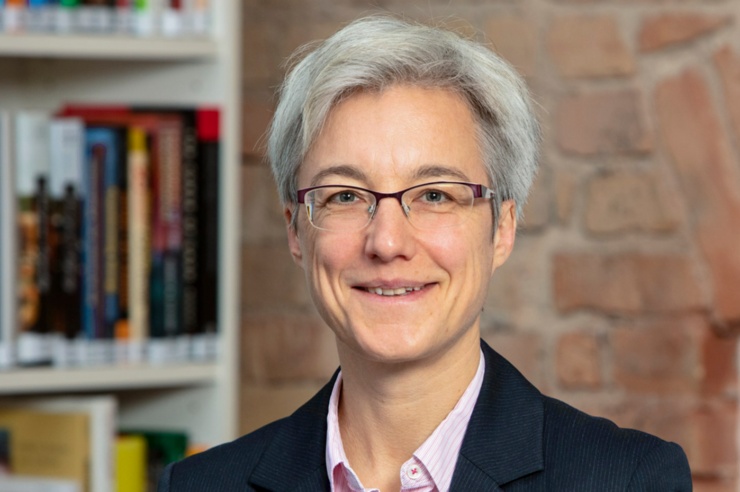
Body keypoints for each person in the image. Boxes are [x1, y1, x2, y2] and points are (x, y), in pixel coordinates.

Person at [158, 15, 692, 491]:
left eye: (434, 194)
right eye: (345, 196)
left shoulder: (625, 479)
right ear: (296, 231)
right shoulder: (201, 483)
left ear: (502, 227)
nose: (387, 242)